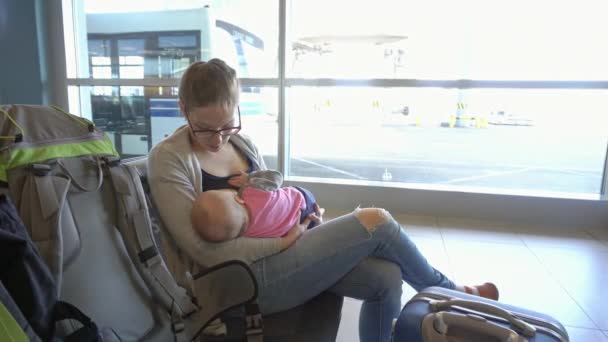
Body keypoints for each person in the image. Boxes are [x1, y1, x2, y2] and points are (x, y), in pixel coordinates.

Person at [147, 58, 499, 342]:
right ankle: (451, 294)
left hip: (284, 251)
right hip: (240, 281)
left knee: (386, 277)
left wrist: (304, 220)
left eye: (227, 125)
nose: (218, 139)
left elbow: (269, 201)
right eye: (205, 128)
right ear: (183, 109)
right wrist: (286, 240)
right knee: (375, 221)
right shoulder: (169, 159)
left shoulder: (242, 143)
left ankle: (440, 299)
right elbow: (202, 252)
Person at [190, 169, 323, 245]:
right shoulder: (250, 191)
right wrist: (250, 179)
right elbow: (276, 177)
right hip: (302, 199)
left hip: (299, 226)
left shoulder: (249, 236)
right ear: (237, 199)